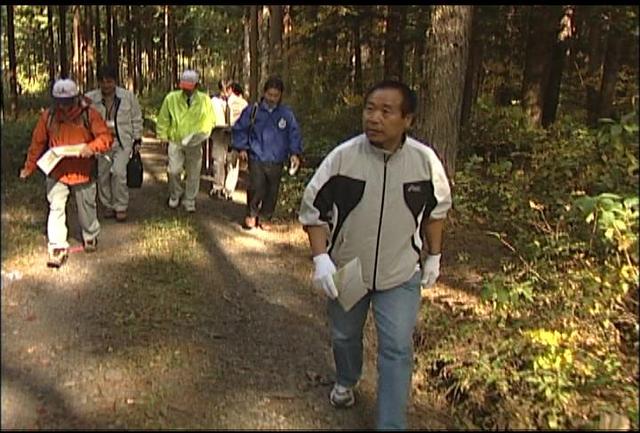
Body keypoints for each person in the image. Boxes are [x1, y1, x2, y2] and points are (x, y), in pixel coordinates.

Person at [298, 80, 452, 430]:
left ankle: (390, 424)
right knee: (344, 335)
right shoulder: (343, 158)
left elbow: (436, 213)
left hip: (401, 273)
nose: (374, 118)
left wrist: (434, 257)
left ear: (407, 119)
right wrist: (321, 258)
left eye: (386, 111)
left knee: (397, 349)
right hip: (349, 268)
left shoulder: (424, 163)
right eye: (369, 108)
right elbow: (313, 211)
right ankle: (347, 380)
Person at [19, 78, 113, 267]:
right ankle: (57, 245)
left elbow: (105, 137)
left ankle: (90, 236)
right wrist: (29, 167)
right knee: (56, 207)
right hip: (57, 171)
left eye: (68, 101)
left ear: (76, 97)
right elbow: (37, 143)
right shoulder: (49, 116)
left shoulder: (90, 114)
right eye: (60, 102)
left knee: (87, 206)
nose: (64, 106)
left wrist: (92, 147)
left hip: (83, 170)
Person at [231, 75, 302, 230]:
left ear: (281, 96)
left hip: (277, 158)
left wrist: (294, 153)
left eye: (276, 96)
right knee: (256, 186)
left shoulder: (286, 114)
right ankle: (251, 214)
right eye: (269, 95)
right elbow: (240, 128)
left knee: (272, 190)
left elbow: (294, 134)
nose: (272, 98)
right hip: (257, 155)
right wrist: (242, 147)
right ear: (264, 93)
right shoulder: (253, 111)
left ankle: (265, 217)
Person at [86, 65, 143, 222]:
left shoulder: (128, 97)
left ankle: (121, 206)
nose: (106, 85)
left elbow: (136, 118)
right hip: (101, 143)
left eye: (109, 81)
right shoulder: (90, 99)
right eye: (102, 81)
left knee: (119, 172)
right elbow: (83, 119)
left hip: (122, 142)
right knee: (103, 175)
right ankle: (108, 205)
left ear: (115, 81)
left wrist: (137, 138)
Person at [156, 69, 215, 213]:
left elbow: (210, 120)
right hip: (176, 140)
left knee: (194, 172)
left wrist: (203, 133)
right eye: (184, 87)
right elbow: (163, 118)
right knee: (173, 170)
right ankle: (175, 194)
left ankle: (190, 199)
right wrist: (162, 135)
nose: (187, 91)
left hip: (195, 142)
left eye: (190, 87)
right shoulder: (172, 98)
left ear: (196, 85)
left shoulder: (205, 100)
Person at [222, 81, 249, 199]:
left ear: (231, 90)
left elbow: (227, 119)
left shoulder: (229, 101)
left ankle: (226, 187)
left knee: (229, 161)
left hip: (230, 134)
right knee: (234, 164)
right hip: (241, 135)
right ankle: (229, 189)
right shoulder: (244, 103)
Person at [208, 79, 232, 199]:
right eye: (224, 89)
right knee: (218, 160)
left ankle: (228, 189)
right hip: (218, 133)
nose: (226, 92)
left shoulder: (235, 101)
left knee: (231, 162)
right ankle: (217, 186)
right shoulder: (213, 102)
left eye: (228, 89)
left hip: (233, 134)